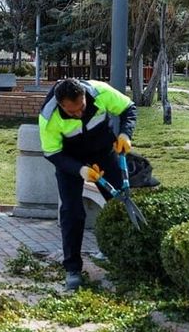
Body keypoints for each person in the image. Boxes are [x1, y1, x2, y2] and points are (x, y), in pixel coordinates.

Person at [38, 78, 136, 291]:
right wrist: (80, 170)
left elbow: (128, 108)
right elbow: (52, 153)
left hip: (103, 152)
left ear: (84, 95)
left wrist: (125, 134)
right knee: (72, 212)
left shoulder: (99, 92)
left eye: (82, 107)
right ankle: (73, 269)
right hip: (70, 160)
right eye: (73, 112)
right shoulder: (48, 117)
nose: (79, 114)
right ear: (61, 105)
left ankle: (123, 260)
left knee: (120, 203)